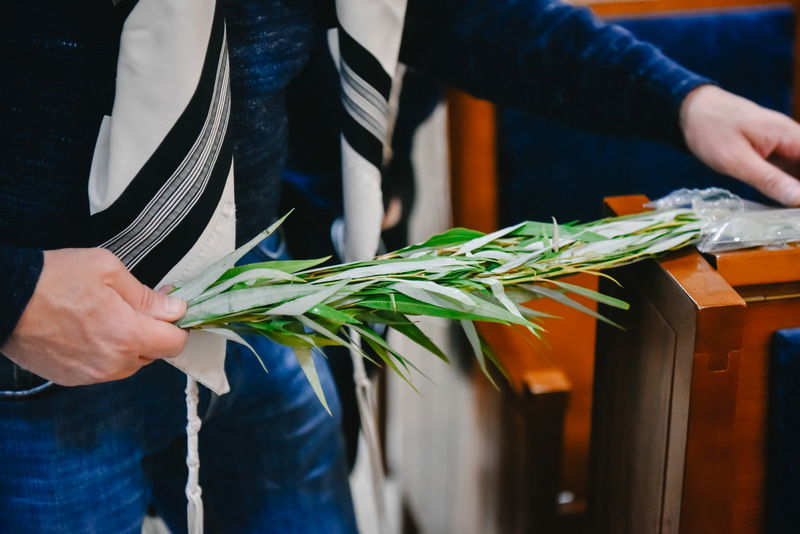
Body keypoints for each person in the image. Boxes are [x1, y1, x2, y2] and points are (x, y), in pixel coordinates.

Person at [2, 0, 800, 532]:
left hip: (252, 298)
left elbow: (460, 15)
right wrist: (16, 295)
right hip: (36, 348)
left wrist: (684, 102)